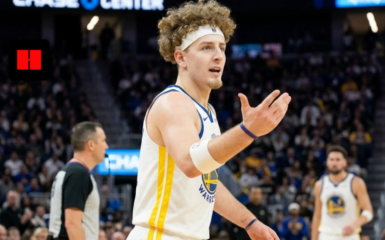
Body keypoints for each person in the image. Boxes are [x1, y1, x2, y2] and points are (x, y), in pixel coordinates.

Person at [127, 0, 291, 239]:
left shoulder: (208, 112)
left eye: (222, 48)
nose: (218, 56)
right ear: (181, 58)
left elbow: (206, 184)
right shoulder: (173, 103)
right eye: (206, 48)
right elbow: (191, 163)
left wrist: (250, 222)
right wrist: (248, 131)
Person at [48, 122, 108, 240]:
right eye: (103, 141)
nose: (106, 146)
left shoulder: (71, 170)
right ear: (91, 145)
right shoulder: (78, 173)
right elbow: (72, 224)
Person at [312, 145, 373, 240]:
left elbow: (368, 212)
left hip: (349, 236)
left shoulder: (356, 183)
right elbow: (317, 216)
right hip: (326, 235)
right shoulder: (319, 185)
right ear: (327, 162)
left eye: (337, 159)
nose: (334, 163)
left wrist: (355, 225)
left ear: (345, 162)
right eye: (331, 159)